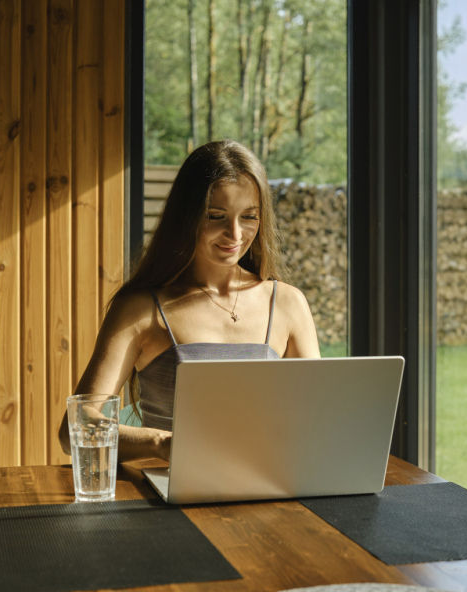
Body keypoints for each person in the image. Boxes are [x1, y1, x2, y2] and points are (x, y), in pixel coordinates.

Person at [58, 140, 321, 462]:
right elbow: (75, 428)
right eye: (216, 216)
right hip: (172, 486)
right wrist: (163, 443)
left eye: (249, 216)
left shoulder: (288, 304)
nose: (235, 234)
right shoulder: (141, 309)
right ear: (187, 216)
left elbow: (317, 416)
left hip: (270, 480)